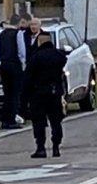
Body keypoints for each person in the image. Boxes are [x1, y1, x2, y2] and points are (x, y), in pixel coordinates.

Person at [24, 30, 67, 158]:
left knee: (39, 122)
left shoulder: (35, 57)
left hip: (38, 94)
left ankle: (41, 148)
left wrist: (25, 97)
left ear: (39, 41)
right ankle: (56, 147)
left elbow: (28, 78)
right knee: (56, 121)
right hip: (55, 93)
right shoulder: (59, 56)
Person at [0, 16, 28, 129]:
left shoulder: (1, 34)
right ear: (18, 23)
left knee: (7, 93)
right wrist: (23, 65)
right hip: (14, 65)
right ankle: (11, 119)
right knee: (15, 94)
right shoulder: (18, 34)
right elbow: (21, 51)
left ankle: (5, 120)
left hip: (4, 65)